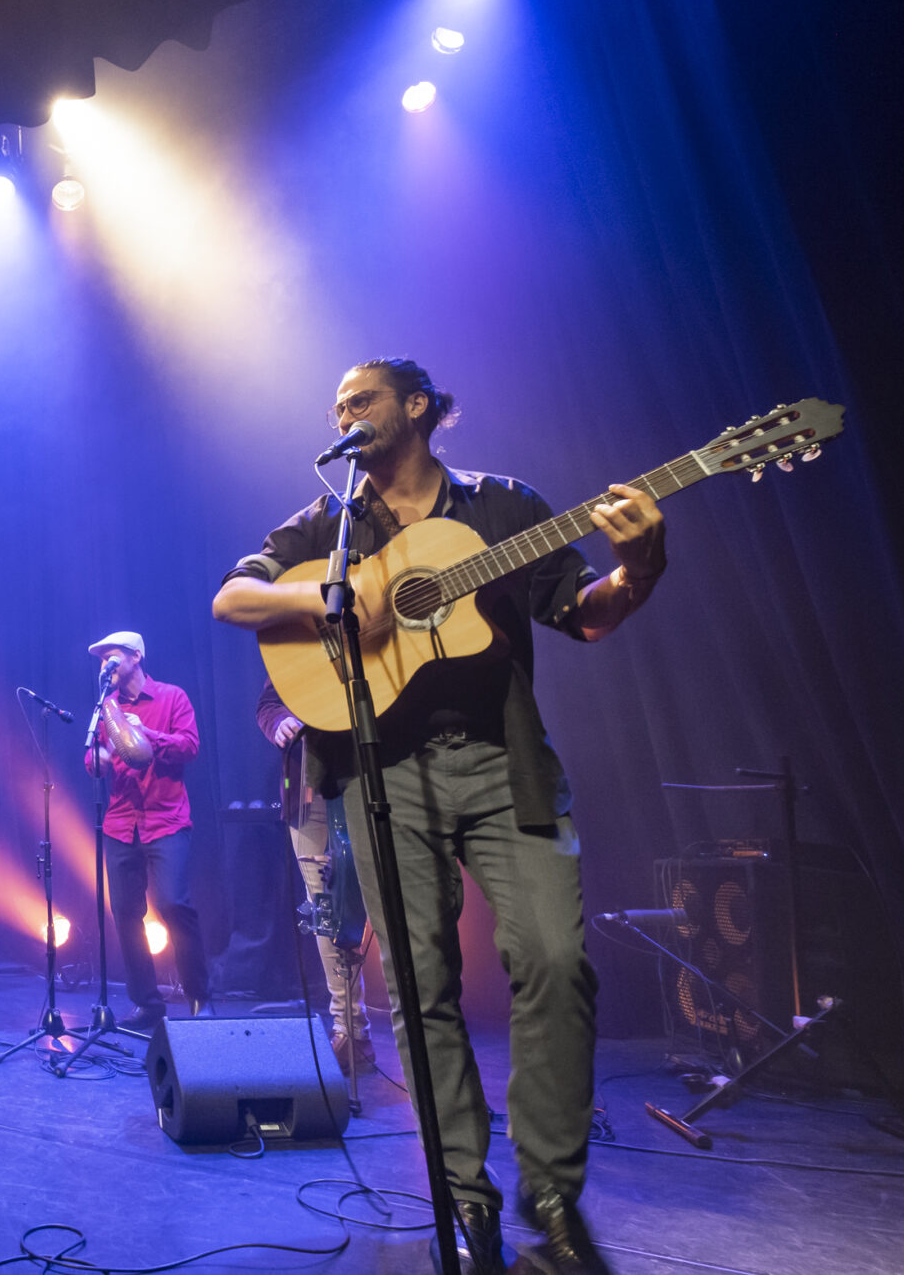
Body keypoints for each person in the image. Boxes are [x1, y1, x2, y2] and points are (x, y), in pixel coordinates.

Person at [212, 358, 665, 1275]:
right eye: (336, 404)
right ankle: (466, 1198)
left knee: (556, 961)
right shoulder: (332, 525)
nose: (344, 414)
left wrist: (641, 564)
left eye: (362, 400)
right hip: (381, 772)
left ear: (417, 407)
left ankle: (552, 1193)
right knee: (421, 995)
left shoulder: (502, 507)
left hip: (504, 766)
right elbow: (233, 596)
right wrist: (332, 597)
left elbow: (583, 614)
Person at [82, 631, 208, 1029]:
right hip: (120, 823)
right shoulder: (107, 708)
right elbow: (93, 754)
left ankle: (200, 997)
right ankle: (147, 1003)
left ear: (137, 656)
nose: (106, 665)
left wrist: (145, 733)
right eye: (101, 660)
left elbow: (189, 747)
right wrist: (95, 760)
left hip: (165, 819)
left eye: (112, 657)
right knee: (125, 913)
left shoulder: (172, 697)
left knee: (173, 904)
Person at [256, 678, 376, 1075]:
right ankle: (349, 1028)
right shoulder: (296, 638)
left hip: (365, 781)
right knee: (324, 909)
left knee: (370, 902)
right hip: (309, 791)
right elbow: (269, 703)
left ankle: (403, 1027)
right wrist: (279, 724)